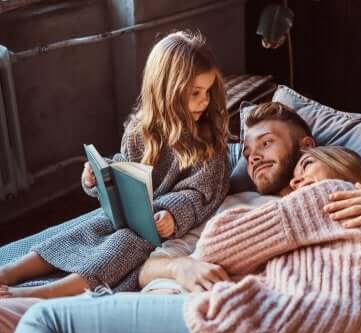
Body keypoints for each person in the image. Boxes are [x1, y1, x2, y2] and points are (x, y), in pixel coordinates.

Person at [13, 102, 361, 333]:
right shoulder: (224, 198)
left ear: (309, 152)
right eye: (247, 152)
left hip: (238, 317)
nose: (252, 160)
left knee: (46, 321)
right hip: (179, 290)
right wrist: (181, 265)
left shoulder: (354, 201)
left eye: (267, 145)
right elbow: (150, 261)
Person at [0, 30, 230, 300]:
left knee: (124, 245)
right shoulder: (140, 131)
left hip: (156, 227)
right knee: (85, 230)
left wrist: (173, 215)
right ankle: (8, 272)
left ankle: (44, 293)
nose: (204, 101)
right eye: (195, 93)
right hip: (132, 216)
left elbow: (202, 194)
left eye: (208, 91)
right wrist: (100, 177)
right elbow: (126, 167)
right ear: (166, 92)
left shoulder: (209, 143)